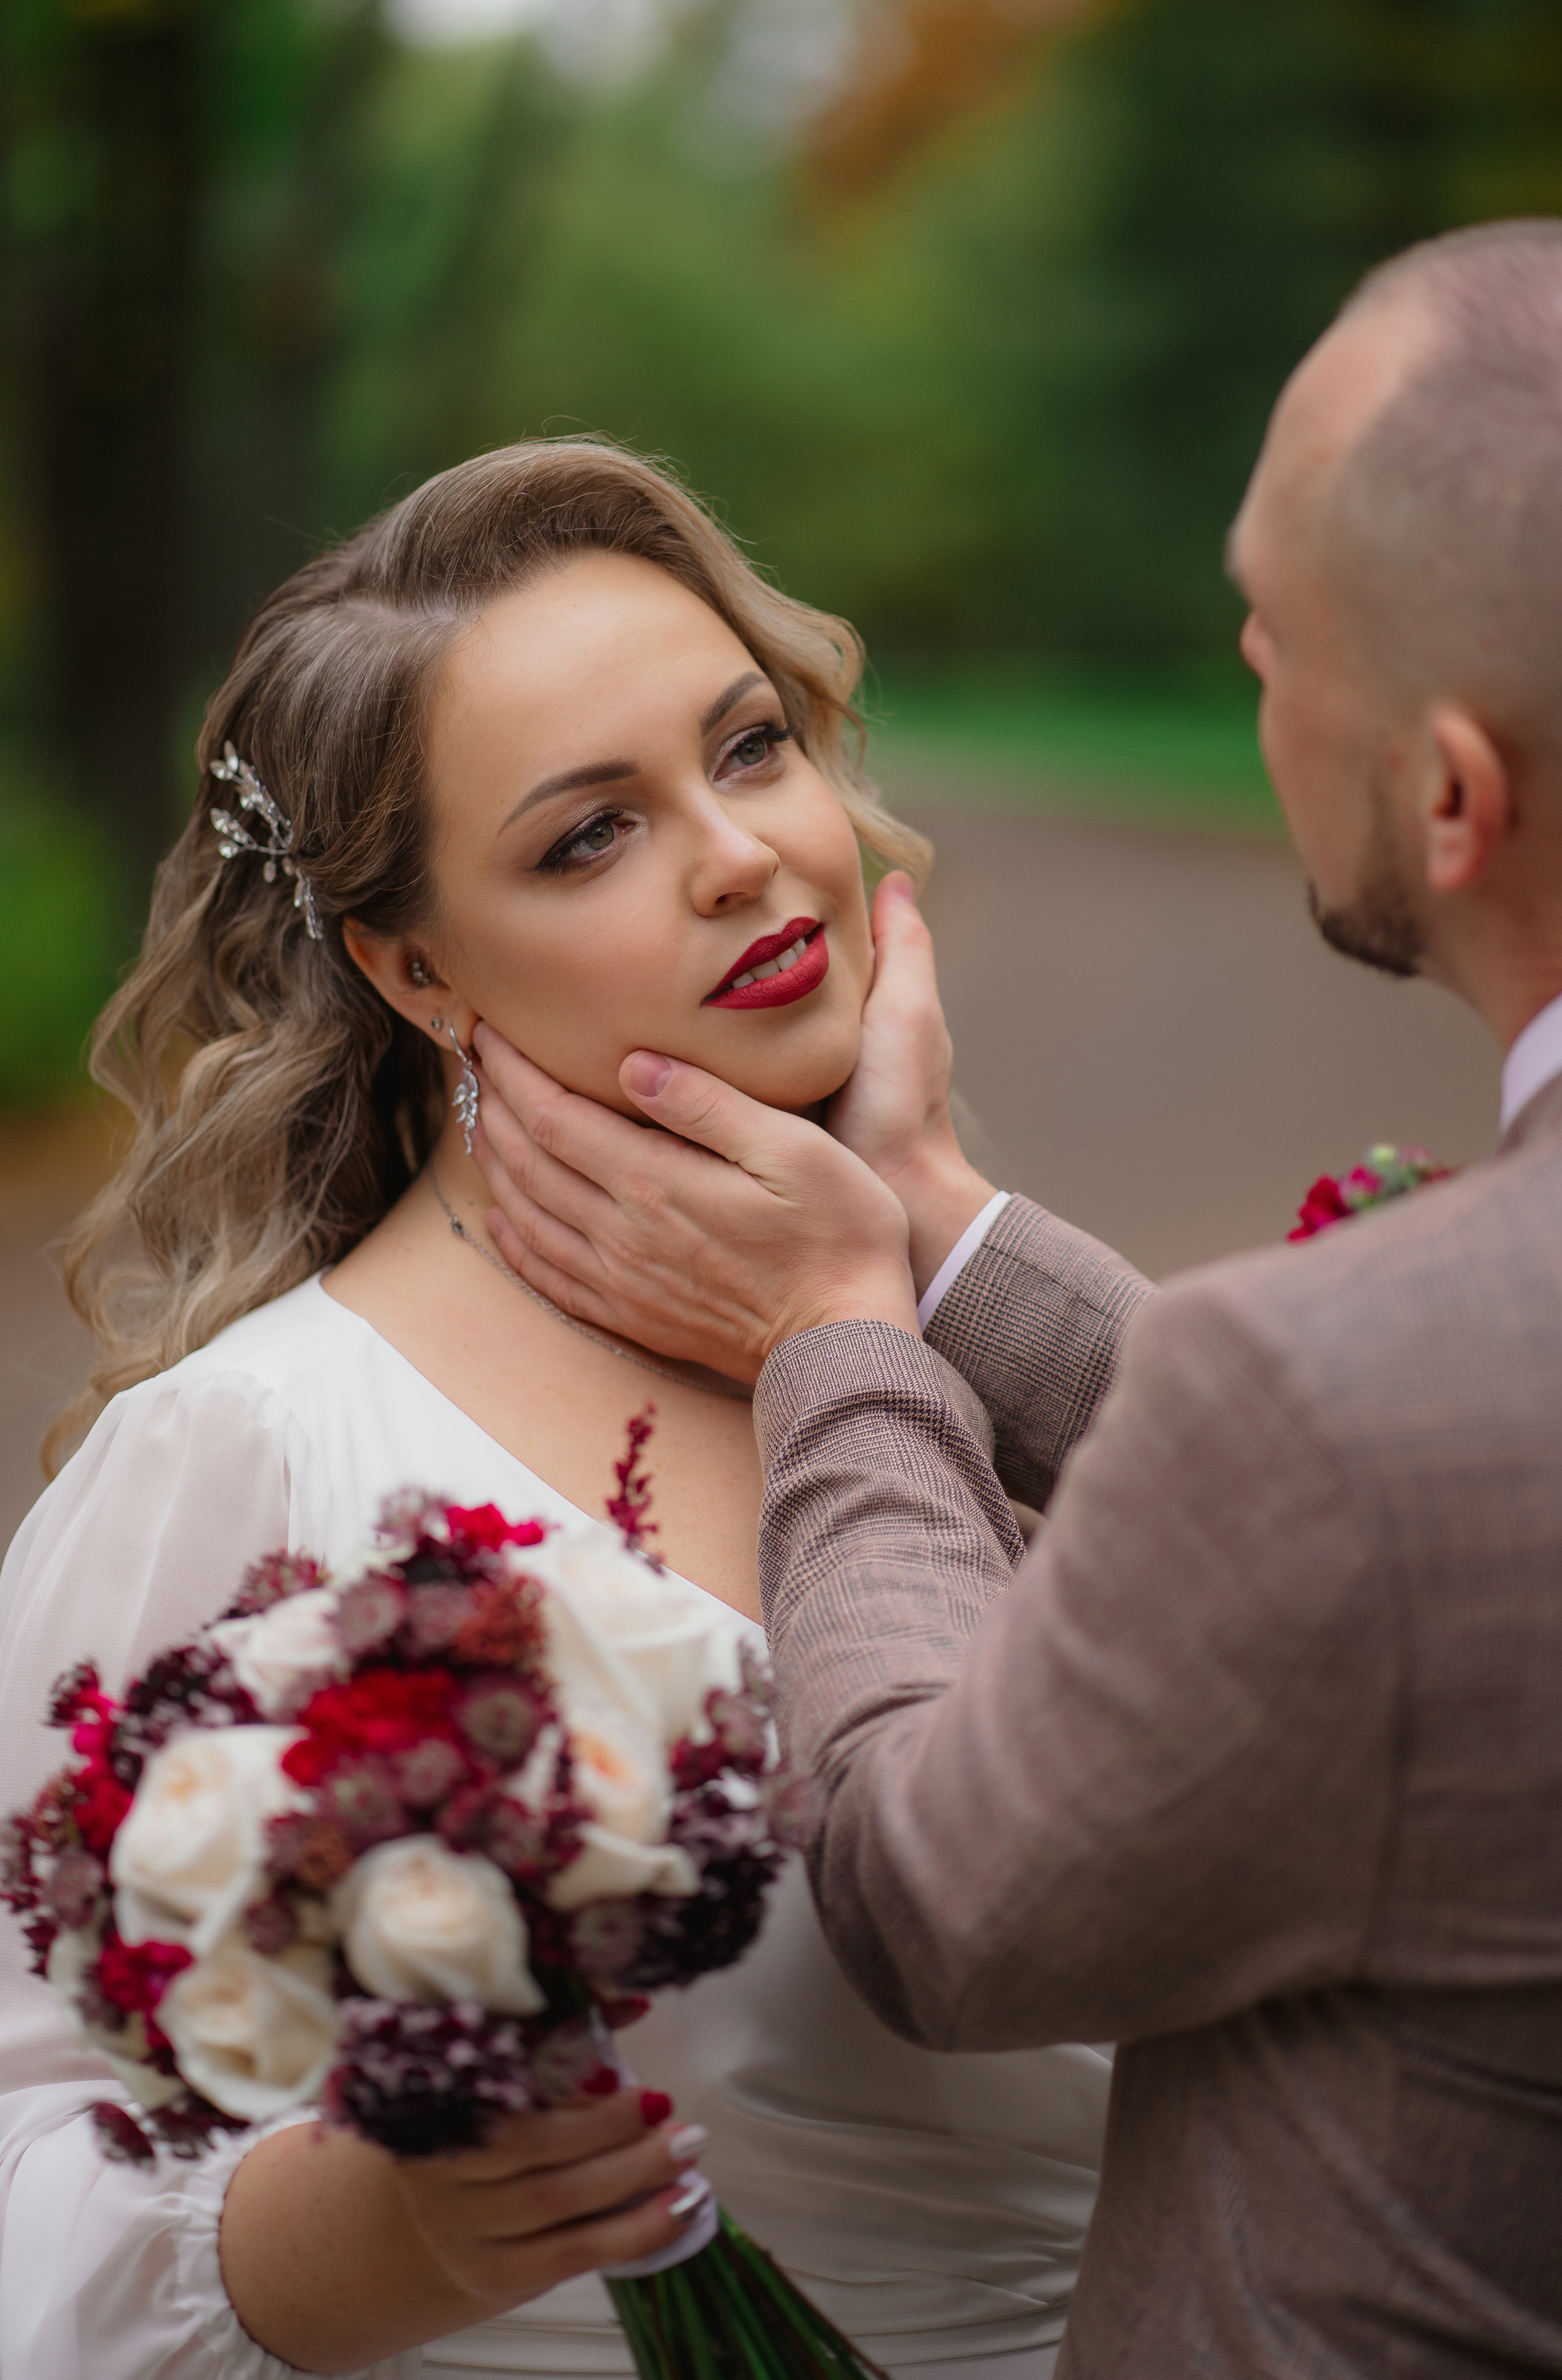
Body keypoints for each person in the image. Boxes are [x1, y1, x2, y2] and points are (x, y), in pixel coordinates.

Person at [462, 219, 1562, 2376]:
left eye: (1281, 633)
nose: (1246, 661)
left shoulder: (1359, 1410)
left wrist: (838, 1332)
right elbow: (1455, 1499)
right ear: (410, 965)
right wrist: (941, 1221)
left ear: (1451, 794)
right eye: (588, 829)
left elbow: (940, 1902)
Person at [0, 441, 1110, 2379]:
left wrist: (933, 1232)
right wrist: (372, 2232)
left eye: (750, 748)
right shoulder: (257, 1451)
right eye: (591, 835)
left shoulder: (975, 1346)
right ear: (414, 967)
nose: (739, 854)